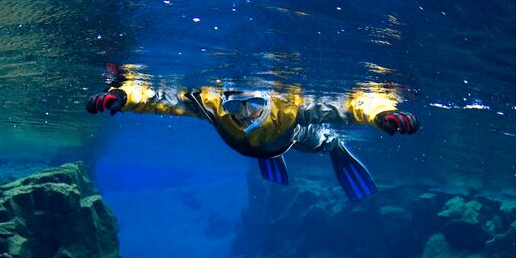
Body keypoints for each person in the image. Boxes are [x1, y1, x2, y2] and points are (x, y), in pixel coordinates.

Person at [84, 81, 419, 200]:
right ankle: (270, 151)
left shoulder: (291, 107)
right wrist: (123, 96)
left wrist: (381, 114)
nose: (244, 114)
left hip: (289, 136)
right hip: (255, 147)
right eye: (234, 106)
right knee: (257, 137)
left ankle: (335, 147)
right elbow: (159, 99)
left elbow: (349, 107)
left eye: (254, 104)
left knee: (315, 138)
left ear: (268, 100)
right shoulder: (210, 105)